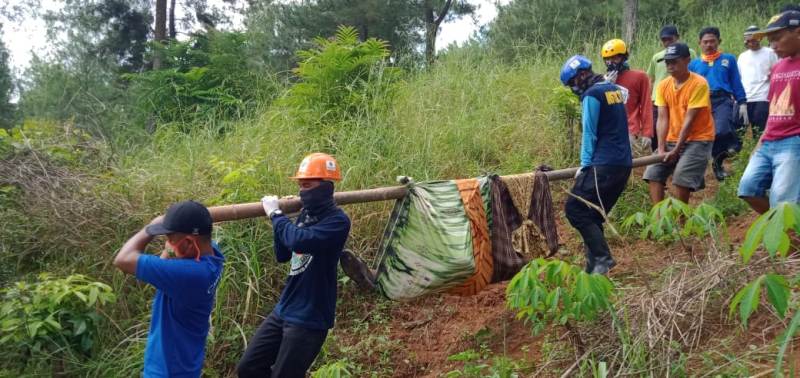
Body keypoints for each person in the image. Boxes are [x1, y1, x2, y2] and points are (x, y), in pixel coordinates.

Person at [237, 153, 351, 378]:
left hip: (310, 317)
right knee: (248, 368)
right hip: (285, 309)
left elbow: (298, 240)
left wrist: (277, 215)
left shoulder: (338, 221)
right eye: (300, 186)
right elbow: (283, 254)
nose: (302, 192)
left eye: (307, 185)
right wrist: (282, 218)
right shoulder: (305, 214)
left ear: (326, 187)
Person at [113, 200, 225, 378]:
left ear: (189, 242)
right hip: (184, 365)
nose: (169, 244)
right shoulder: (213, 258)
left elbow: (123, 259)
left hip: (167, 371)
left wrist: (150, 227)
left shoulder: (189, 275)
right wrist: (173, 243)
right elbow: (168, 259)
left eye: (170, 239)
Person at [559, 55, 632, 274]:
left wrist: (584, 165)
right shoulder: (611, 89)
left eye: (572, 83)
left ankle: (603, 258)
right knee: (592, 214)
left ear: (582, 75)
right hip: (623, 164)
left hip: (604, 164)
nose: (573, 88)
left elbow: (589, 134)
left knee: (574, 209)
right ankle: (592, 268)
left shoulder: (591, 95)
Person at [738, 10, 800, 213]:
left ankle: (788, 241)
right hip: (769, 140)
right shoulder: (778, 67)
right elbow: (774, 110)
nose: (773, 46)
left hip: (794, 140)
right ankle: (783, 233)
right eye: (770, 40)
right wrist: (760, 142)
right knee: (748, 189)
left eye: (777, 38)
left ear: (798, 32)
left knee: (782, 201)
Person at [644, 43, 715, 205]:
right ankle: (659, 219)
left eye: (674, 62)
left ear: (687, 60)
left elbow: (689, 121)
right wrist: (661, 149)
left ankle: (682, 221)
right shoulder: (663, 85)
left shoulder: (699, 84)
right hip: (671, 137)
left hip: (698, 139)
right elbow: (662, 118)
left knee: (681, 178)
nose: (670, 66)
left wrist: (676, 149)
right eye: (667, 62)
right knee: (652, 173)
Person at [689, 26, 748, 181]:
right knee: (707, 136)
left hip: (723, 100)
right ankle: (717, 166)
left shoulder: (728, 59)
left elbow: (736, 82)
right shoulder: (694, 64)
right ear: (699, 43)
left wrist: (742, 102)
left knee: (721, 130)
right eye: (705, 42)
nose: (709, 45)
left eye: (712, 41)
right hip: (703, 102)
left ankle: (731, 148)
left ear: (719, 41)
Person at [647, 25, 697, 151]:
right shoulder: (657, 57)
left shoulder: (688, 53)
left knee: (679, 124)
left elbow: (695, 71)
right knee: (655, 127)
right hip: (658, 97)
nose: (667, 42)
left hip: (681, 94)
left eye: (670, 39)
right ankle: (658, 152)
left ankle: (680, 152)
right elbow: (651, 78)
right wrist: (648, 98)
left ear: (677, 38)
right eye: (664, 40)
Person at [602, 38, 653, 155]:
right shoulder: (602, 81)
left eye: (615, 58)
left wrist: (647, 133)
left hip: (631, 130)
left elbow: (646, 106)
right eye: (608, 59)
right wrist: (606, 86)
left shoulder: (639, 77)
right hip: (609, 131)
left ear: (623, 57)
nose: (611, 62)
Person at [738, 25, 779, 138]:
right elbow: (739, 77)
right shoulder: (742, 57)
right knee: (739, 131)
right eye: (748, 41)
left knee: (760, 130)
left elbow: (777, 71)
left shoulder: (770, 53)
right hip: (746, 98)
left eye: (754, 40)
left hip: (763, 97)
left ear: (759, 39)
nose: (751, 43)